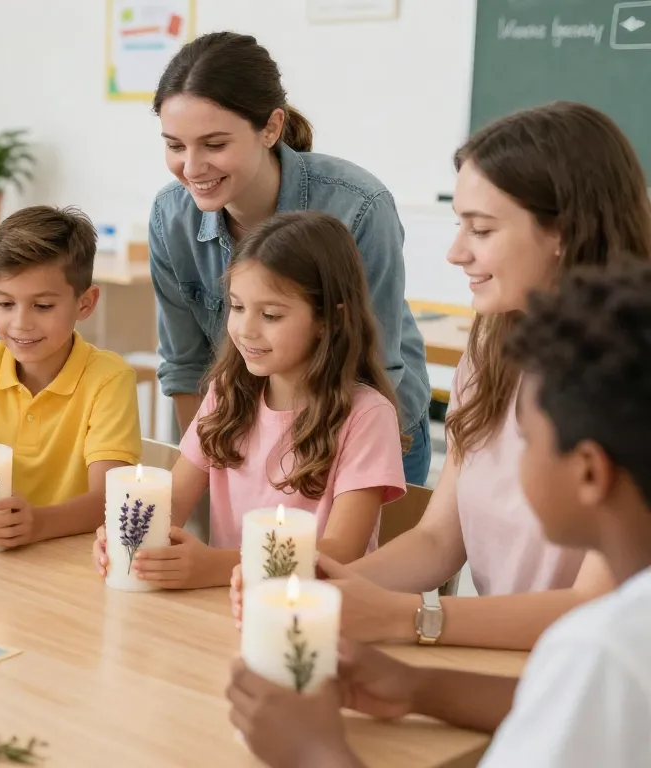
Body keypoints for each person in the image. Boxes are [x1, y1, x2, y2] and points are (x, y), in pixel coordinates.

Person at [236, 102, 650, 651]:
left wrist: (408, 619)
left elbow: (596, 610)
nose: (456, 253)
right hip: (507, 660)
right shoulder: (491, 349)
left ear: (565, 233)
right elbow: (437, 540)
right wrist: (322, 587)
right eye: (460, 225)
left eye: (480, 229)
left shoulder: (628, 378)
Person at [227, 262, 651, 768]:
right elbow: (574, 709)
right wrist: (420, 687)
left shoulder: (602, 649)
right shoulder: (620, 633)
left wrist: (314, 751)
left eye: (525, 438)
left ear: (588, 472)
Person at [148, 31, 431, 484]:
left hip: (362, 437)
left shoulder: (357, 206)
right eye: (176, 146)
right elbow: (186, 368)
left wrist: (311, 477)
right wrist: (206, 471)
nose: (193, 168)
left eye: (215, 145)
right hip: (250, 440)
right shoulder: (170, 216)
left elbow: (373, 371)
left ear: (271, 128)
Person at [93, 211, 404, 588]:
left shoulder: (367, 416)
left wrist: (214, 567)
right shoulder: (227, 392)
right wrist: (128, 534)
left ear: (330, 320)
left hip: (309, 619)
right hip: (223, 606)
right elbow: (170, 504)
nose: (246, 329)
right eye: (237, 308)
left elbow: (340, 553)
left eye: (270, 315)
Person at [0, 206, 141, 547]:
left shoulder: (109, 379)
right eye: (5, 304)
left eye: (43, 306)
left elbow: (109, 500)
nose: (21, 323)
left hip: (69, 568)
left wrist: (36, 523)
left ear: (86, 303)